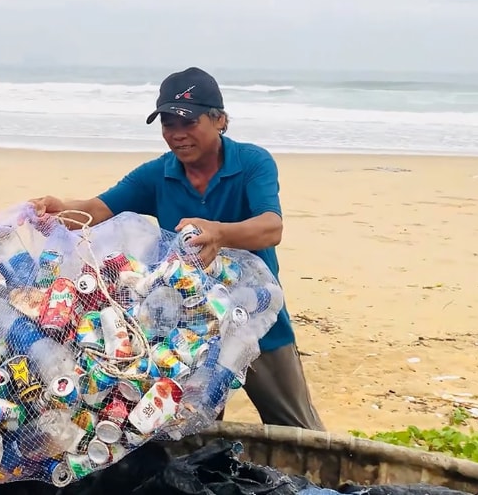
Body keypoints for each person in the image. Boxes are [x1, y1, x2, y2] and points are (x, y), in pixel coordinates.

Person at [30, 67, 325, 431]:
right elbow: (98, 209)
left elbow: (271, 227)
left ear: (220, 120)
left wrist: (219, 233)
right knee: (192, 431)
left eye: (188, 121)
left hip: (256, 321)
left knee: (295, 427)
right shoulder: (157, 174)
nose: (177, 134)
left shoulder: (252, 163)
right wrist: (62, 209)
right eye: (168, 123)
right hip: (188, 334)